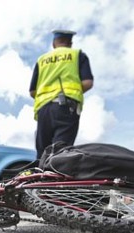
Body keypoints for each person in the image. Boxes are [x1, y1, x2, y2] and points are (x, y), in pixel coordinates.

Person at [29, 29, 94, 159]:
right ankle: (56, 177)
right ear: (70, 43)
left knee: (42, 152)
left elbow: (32, 91)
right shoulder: (77, 55)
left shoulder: (42, 60)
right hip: (66, 107)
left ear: (54, 43)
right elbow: (87, 83)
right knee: (60, 152)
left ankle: (41, 177)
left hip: (43, 109)